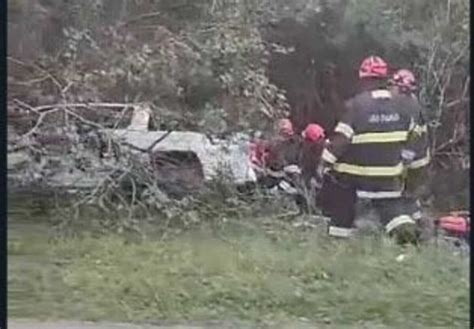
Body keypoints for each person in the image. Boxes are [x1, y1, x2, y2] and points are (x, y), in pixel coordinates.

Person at [315, 56, 422, 243]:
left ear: (363, 79)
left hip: (355, 179)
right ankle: (409, 235)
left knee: (341, 202)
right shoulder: (403, 106)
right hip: (389, 178)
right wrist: (408, 170)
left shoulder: (357, 105)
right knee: (392, 210)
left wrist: (323, 164)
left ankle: (337, 241)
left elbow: (341, 141)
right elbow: (415, 140)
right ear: (385, 79)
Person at [389, 69, 431, 238]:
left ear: (401, 88)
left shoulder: (405, 106)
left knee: (401, 195)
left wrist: (403, 163)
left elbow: (412, 137)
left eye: (393, 86)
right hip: (419, 160)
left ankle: (412, 231)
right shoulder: (412, 103)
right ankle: (420, 225)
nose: (391, 90)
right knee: (411, 197)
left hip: (412, 161)